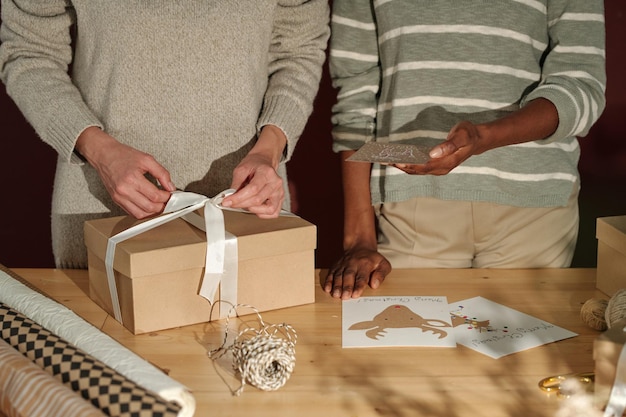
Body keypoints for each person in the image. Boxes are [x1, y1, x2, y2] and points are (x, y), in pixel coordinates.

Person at [0, 1, 330, 268]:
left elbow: (298, 50)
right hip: (105, 213)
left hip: (248, 209)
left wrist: (268, 151)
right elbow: (29, 53)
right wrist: (100, 152)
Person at [325, 0, 606, 299]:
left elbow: (582, 85)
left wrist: (485, 136)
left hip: (532, 209)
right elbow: (355, 94)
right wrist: (359, 239)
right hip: (411, 208)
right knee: (406, 341)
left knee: (525, 345)